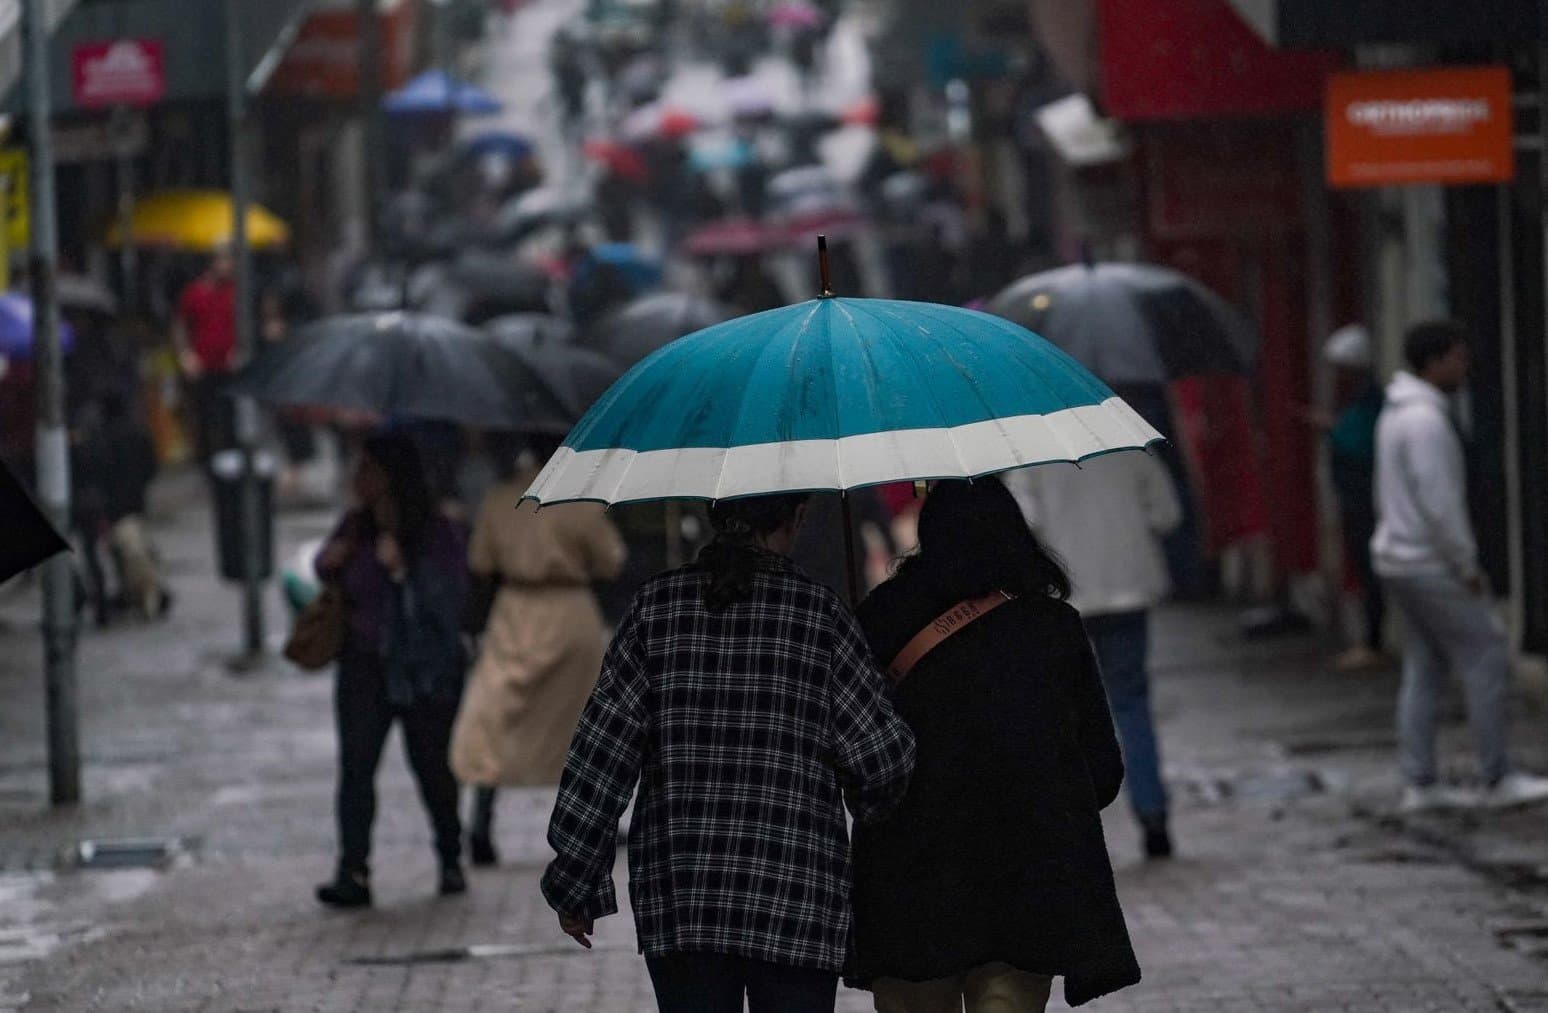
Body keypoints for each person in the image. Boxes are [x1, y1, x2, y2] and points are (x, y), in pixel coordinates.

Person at [542, 493, 916, 1012]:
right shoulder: (820, 614)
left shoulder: (656, 609)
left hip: (682, 896)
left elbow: (601, 757)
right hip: (798, 896)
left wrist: (575, 878)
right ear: (798, 516)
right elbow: (883, 761)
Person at [853, 478, 1140, 1011]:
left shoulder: (878, 621)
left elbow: (855, 764)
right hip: (1023, 886)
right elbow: (1101, 770)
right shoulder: (1052, 627)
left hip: (910, 888)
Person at [1373, 321, 1548, 813]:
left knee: (1426, 665)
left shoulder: (1397, 415)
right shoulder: (1426, 422)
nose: (1464, 368)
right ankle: (1497, 774)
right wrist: (1467, 565)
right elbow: (1441, 504)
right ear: (1435, 362)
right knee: (1487, 653)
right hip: (1428, 560)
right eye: (1458, 358)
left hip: (1398, 557)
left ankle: (1420, 780)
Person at [450, 434, 627, 867]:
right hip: (570, 613)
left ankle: (481, 822)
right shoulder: (581, 501)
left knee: (496, 717)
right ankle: (593, 822)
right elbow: (612, 559)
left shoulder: (499, 498)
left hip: (515, 612)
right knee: (581, 722)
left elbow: (480, 562)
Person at [313, 432, 471, 907]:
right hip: (363, 664)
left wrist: (405, 570)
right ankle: (352, 870)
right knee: (357, 767)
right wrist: (330, 562)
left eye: (368, 469)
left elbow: (451, 601)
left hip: (422, 667)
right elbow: (326, 568)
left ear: (391, 477)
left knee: (431, 766)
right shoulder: (355, 527)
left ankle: (450, 856)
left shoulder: (436, 530)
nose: (357, 479)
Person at [1007, 452, 1182, 859]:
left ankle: (1074, 828)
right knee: (1131, 703)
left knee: (1064, 714)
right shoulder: (1128, 447)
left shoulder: (1028, 456)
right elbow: (1167, 515)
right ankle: (1152, 814)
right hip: (1129, 589)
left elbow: (1021, 524)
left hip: (1065, 599)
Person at [1306, 325, 1390, 673]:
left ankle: (1374, 641)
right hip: (1356, 496)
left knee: (1372, 570)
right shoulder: (1357, 398)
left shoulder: (1370, 399)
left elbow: (1361, 442)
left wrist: (1333, 428)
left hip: (1366, 498)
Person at [172, 249, 239, 463]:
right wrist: (186, 354)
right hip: (202, 366)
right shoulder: (194, 293)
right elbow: (180, 325)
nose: (228, 266)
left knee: (230, 418)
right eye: (224, 260)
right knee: (204, 417)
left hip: (229, 366)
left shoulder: (234, 292)